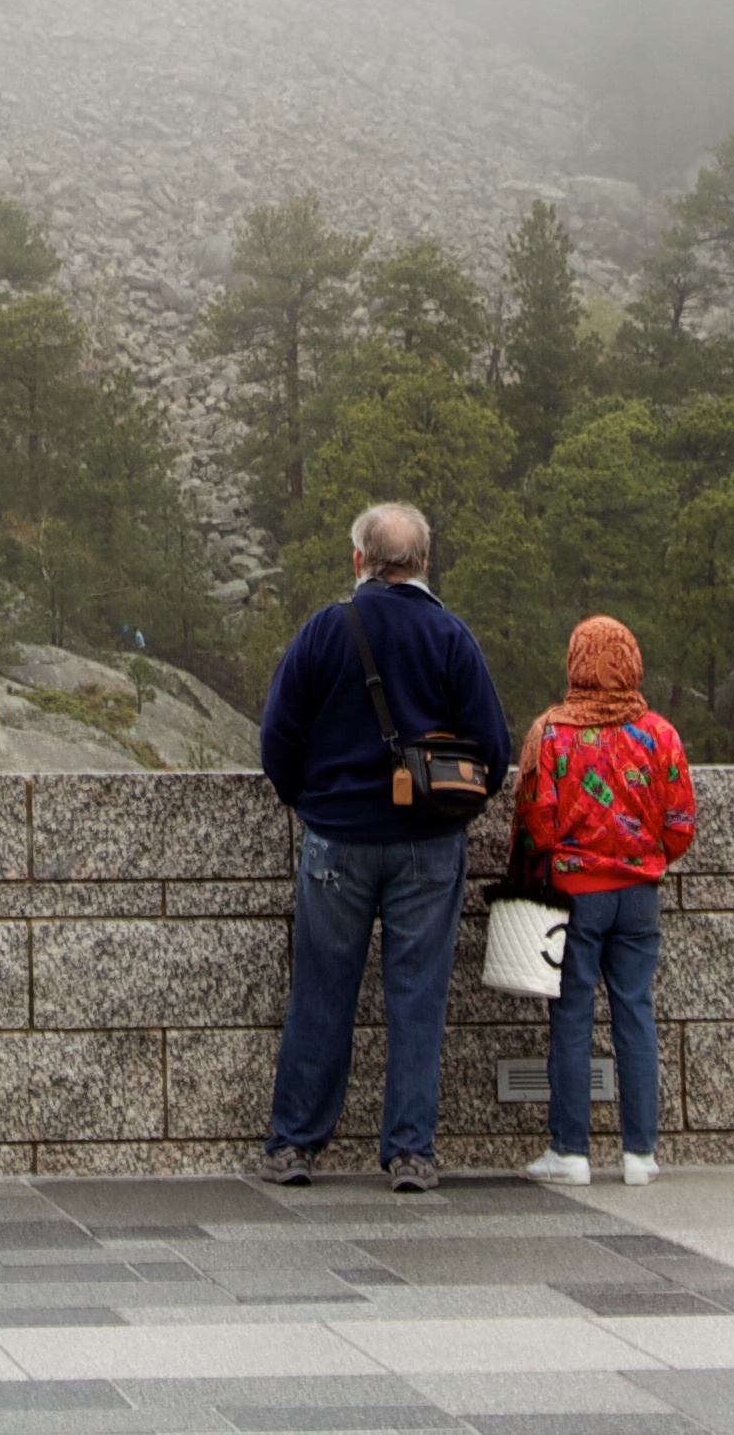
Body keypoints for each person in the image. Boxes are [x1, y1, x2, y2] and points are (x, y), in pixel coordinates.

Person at [252, 498, 517, 1191]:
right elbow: (493, 745)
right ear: (424, 561)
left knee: (320, 991)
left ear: (358, 561)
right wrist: (453, 812)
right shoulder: (450, 636)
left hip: (335, 838)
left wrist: (309, 803)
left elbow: (277, 736)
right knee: (417, 994)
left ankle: (294, 1145)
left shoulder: (322, 631)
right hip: (427, 844)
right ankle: (409, 1153)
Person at [509, 613, 695, 1186]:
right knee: (635, 1011)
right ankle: (640, 1153)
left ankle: (571, 1152)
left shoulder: (553, 733)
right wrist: (644, 857)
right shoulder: (660, 734)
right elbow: (681, 823)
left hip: (574, 894)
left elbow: (535, 822)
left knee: (571, 1015)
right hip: (639, 894)